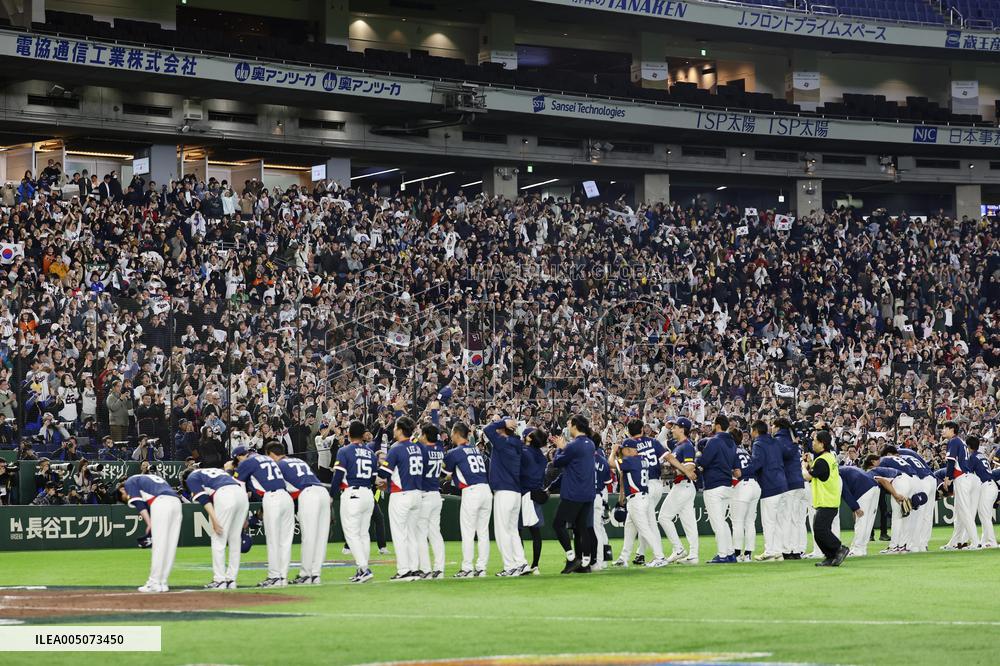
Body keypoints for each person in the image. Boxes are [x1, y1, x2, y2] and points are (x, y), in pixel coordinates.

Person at [268, 441, 330, 585]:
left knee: (309, 537)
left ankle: (305, 574)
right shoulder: (299, 461)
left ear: (271, 454)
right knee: (320, 537)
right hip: (322, 492)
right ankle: (315, 574)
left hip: (308, 494)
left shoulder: (278, 465)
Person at [232, 444, 294, 587]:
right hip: (286, 498)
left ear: (239, 457)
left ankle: (274, 576)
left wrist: (243, 517)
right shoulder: (267, 458)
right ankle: (282, 577)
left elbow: (240, 492)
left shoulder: (246, 463)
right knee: (285, 541)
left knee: (273, 540)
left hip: (272, 498)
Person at [377, 416, 427, 581]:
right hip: (417, 494)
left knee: (400, 534)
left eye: (395, 427)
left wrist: (379, 467)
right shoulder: (417, 447)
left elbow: (383, 473)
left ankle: (404, 570)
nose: (393, 430)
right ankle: (414, 568)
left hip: (401, 495)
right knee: (412, 534)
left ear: (399, 430)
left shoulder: (397, 448)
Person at [183, 466, 249, 589]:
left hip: (225, 494)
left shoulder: (191, 478)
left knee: (218, 537)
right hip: (241, 494)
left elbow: (204, 500)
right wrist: (244, 517)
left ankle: (219, 580)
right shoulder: (213, 471)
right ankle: (231, 579)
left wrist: (214, 520)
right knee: (235, 539)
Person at [443, 421, 492, 578]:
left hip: (471, 491)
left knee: (468, 532)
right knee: (483, 532)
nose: (451, 435)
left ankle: (467, 568)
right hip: (486, 490)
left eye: (452, 432)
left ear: (457, 433)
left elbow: (444, 474)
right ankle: (481, 568)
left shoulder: (454, 452)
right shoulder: (476, 450)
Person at [332, 421, 378, 583]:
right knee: (363, 534)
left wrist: (331, 495)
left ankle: (364, 568)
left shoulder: (344, 450)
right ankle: (361, 569)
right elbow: (373, 478)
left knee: (352, 533)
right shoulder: (371, 453)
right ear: (363, 435)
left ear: (349, 434)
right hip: (368, 493)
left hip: (352, 493)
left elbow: (338, 476)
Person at [119, 472, 182, 592]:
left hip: (161, 502)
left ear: (122, 489)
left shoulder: (129, 482)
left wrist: (149, 523)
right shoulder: (149, 478)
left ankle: (154, 583)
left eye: (124, 496)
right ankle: (162, 582)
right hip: (176, 502)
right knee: (170, 546)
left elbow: (139, 504)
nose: (127, 497)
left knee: (158, 546)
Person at [551, 414, 597, 574]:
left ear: (576, 426)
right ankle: (585, 564)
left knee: (558, 524)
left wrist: (560, 447)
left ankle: (571, 558)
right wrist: (565, 448)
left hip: (574, 493)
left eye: (569, 424)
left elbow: (556, 462)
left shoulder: (574, 445)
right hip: (588, 493)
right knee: (582, 527)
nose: (568, 427)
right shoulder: (590, 443)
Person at [612, 438, 668, 567]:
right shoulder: (643, 459)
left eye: (623, 449)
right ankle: (623, 558)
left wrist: (613, 452)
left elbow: (611, 463)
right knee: (629, 529)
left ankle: (660, 557)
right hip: (642, 498)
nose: (622, 451)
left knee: (645, 530)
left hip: (636, 500)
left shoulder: (630, 461)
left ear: (628, 450)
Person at [483, 416, 528, 577]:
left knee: (502, 531)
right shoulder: (517, 443)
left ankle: (510, 567)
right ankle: (521, 563)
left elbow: (487, 429)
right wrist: (505, 425)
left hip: (504, 491)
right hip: (515, 492)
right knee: (512, 530)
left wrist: (502, 422)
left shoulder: (502, 442)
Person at [654, 417, 699, 565]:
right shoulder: (676, 445)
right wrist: (665, 428)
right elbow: (658, 443)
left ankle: (678, 549)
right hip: (683, 486)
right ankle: (693, 555)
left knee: (663, 517)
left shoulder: (687, 446)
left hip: (683, 486)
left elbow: (690, 468)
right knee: (689, 523)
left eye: (675, 427)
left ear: (682, 429)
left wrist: (673, 471)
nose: (672, 429)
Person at [801, 430, 848, 567]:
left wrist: (803, 466)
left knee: (820, 530)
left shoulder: (822, 460)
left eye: (815, 441)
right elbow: (819, 474)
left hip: (826, 501)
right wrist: (810, 463)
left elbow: (808, 476)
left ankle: (839, 548)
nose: (813, 443)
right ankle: (830, 556)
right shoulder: (828, 457)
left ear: (822, 444)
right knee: (820, 530)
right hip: (829, 499)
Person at [742, 421, 788, 561]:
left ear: (755, 430)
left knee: (769, 521)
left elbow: (757, 463)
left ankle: (770, 551)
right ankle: (779, 550)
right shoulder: (775, 441)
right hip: (782, 483)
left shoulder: (758, 443)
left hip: (770, 485)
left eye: (751, 430)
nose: (751, 433)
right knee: (779, 521)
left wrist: (742, 472)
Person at [700, 415, 738, 564]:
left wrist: (697, 458)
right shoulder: (732, 443)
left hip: (714, 486)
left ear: (717, 426)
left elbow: (704, 461)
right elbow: (735, 466)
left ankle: (722, 555)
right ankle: (730, 553)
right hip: (727, 485)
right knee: (722, 521)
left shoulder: (714, 441)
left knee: (717, 523)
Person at [861, 455, 914, 554]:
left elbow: (884, 482)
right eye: (878, 460)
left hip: (899, 482)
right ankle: (903, 545)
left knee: (897, 517)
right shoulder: (877, 470)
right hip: (907, 480)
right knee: (904, 516)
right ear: (872, 462)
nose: (880, 462)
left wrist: (895, 494)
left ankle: (894, 546)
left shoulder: (871, 471)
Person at [940, 421, 977, 551]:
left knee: (964, 512)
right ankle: (954, 542)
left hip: (962, 478)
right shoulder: (959, 441)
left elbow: (951, 462)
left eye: (945, 428)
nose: (943, 431)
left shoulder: (954, 441)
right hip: (966, 477)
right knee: (959, 513)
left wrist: (947, 478)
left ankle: (975, 542)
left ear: (952, 429)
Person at [415, 423, 446, 579]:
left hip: (425, 495)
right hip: (436, 495)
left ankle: (425, 569)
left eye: (422, 434)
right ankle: (439, 569)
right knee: (435, 533)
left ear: (426, 435)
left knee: (421, 533)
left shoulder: (423, 450)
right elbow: (437, 438)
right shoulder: (439, 449)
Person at [775, 417, 808, 559]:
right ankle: (797, 549)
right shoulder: (793, 440)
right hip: (799, 483)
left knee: (786, 518)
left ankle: (787, 550)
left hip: (788, 483)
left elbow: (783, 457)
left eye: (773, 425)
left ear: (778, 427)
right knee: (797, 519)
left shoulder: (778, 440)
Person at [840, 466, 890, 557]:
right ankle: (862, 549)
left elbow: (845, 492)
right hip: (875, 487)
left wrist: (855, 508)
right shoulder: (845, 469)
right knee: (868, 522)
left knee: (861, 521)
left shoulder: (836, 473)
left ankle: (857, 549)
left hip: (864, 490)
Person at [519, 427, 549, 576]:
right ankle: (535, 565)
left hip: (524, 493)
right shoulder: (543, 457)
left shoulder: (524, 452)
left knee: (517, 531)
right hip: (536, 494)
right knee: (535, 533)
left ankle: (521, 563)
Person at [730, 427, 760, 562]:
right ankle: (747, 554)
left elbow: (736, 473)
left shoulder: (731, 450)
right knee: (750, 522)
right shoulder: (745, 451)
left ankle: (736, 554)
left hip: (743, 486)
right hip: (755, 485)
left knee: (737, 522)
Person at [964, 436, 994, 550]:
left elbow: (968, 474)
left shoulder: (972, 457)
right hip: (990, 485)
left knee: (984, 515)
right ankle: (985, 541)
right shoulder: (981, 455)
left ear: (969, 446)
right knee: (985, 515)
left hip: (986, 486)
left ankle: (991, 541)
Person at [591, 435, 612, 570]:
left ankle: (597, 561)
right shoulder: (603, 460)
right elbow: (607, 482)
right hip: (600, 495)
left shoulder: (584, 458)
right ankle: (602, 560)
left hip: (589, 496)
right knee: (599, 529)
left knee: (593, 529)